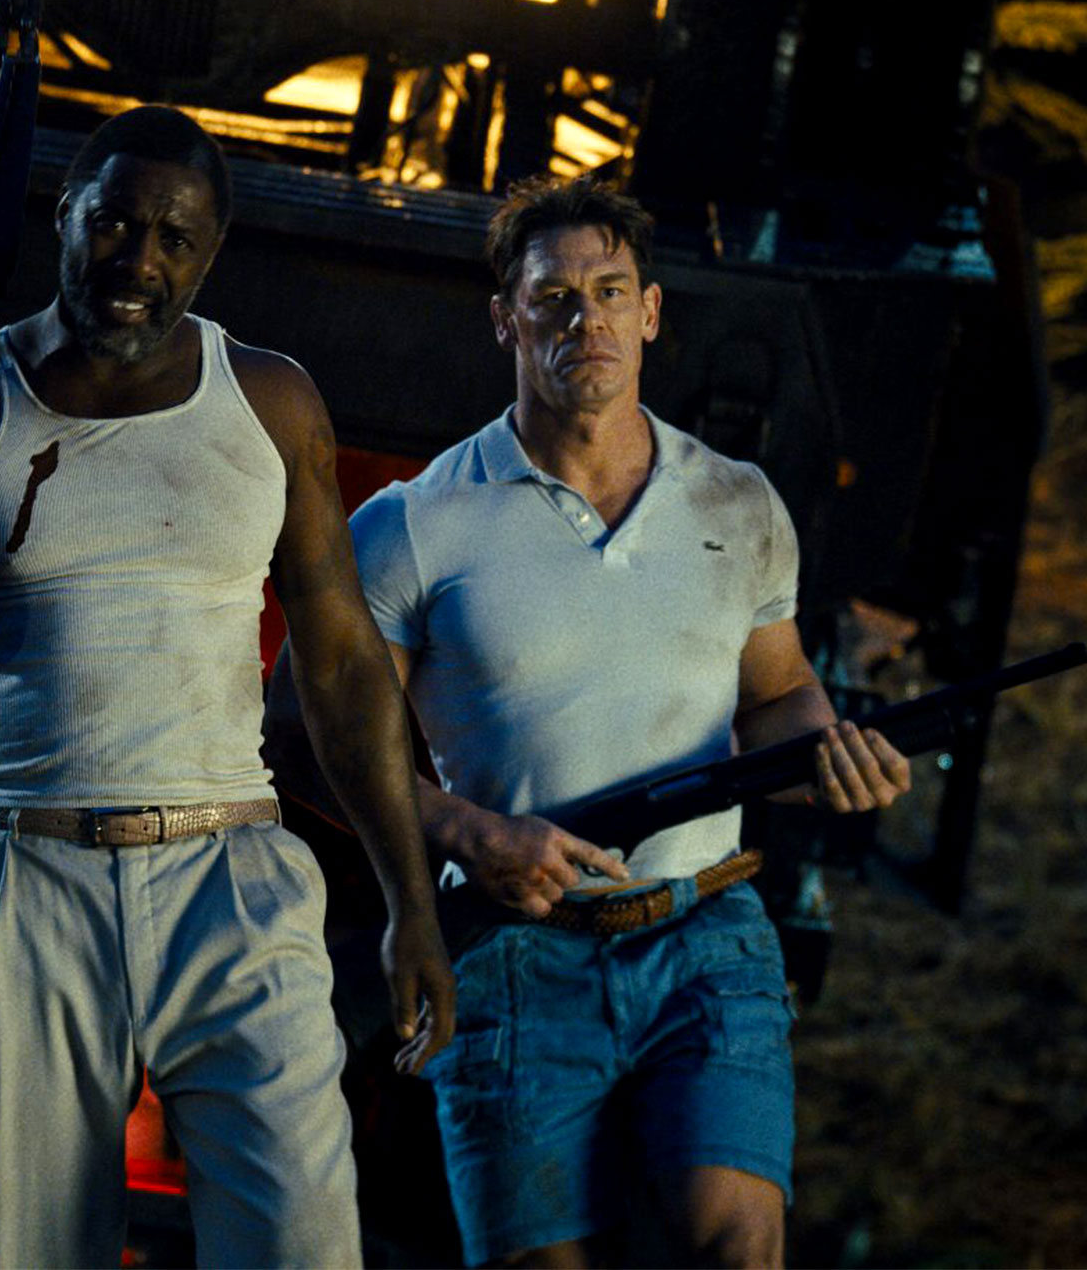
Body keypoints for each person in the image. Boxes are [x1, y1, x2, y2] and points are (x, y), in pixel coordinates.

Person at [0, 104, 458, 1267]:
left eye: (173, 238)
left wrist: (410, 900)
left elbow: (343, 666)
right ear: (64, 217)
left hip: (225, 871)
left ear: (210, 252)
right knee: (32, 1251)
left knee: (301, 1240)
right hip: (20, 870)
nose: (138, 260)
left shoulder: (267, 399)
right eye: (113, 225)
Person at [271, 173, 912, 1268]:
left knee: (737, 1248)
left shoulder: (738, 501)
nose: (587, 321)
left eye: (610, 292)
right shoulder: (415, 523)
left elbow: (775, 695)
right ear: (504, 319)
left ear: (650, 313)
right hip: (512, 951)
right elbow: (298, 733)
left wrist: (824, 756)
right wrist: (469, 832)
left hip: (704, 931)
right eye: (554, 298)